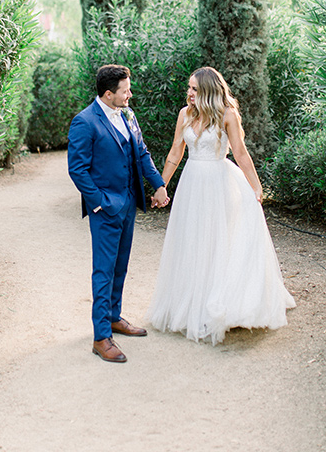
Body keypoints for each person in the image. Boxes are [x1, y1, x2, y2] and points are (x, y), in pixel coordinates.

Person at [147, 67, 295, 345]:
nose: (189, 93)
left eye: (194, 89)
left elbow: (239, 152)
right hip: (192, 183)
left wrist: (256, 185)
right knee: (193, 241)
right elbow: (176, 152)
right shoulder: (185, 114)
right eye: (188, 88)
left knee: (219, 240)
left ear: (208, 90)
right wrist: (161, 185)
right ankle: (193, 301)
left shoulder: (228, 114)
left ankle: (222, 302)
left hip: (219, 182)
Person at [68, 64, 169, 363]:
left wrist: (158, 185)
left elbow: (141, 153)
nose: (130, 94)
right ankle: (101, 337)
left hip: (128, 203)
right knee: (103, 270)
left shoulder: (128, 114)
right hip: (106, 208)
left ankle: (113, 316)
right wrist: (99, 202)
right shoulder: (85, 122)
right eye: (125, 90)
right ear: (109, 93)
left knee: (120, 266)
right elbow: (77, 169)